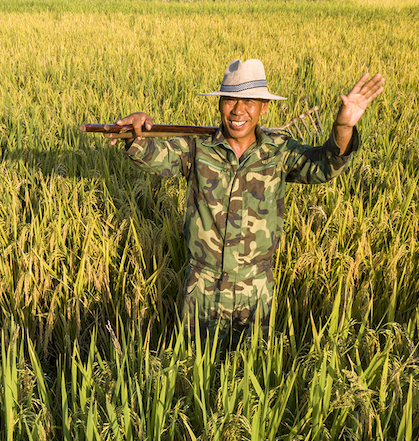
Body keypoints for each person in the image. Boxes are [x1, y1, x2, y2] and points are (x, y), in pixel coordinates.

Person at [112, 58, 384, 346]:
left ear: (263, 107)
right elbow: (153, 155)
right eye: (230, 100)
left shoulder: (279, 152)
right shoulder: (196, 148)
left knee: (250, 374)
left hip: (255, 292)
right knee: (194, 374)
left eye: (249, 101)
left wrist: (343, 127)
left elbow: (325, 165)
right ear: (219, 103)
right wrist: (136, 131)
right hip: (202, 290)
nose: (238, 110)